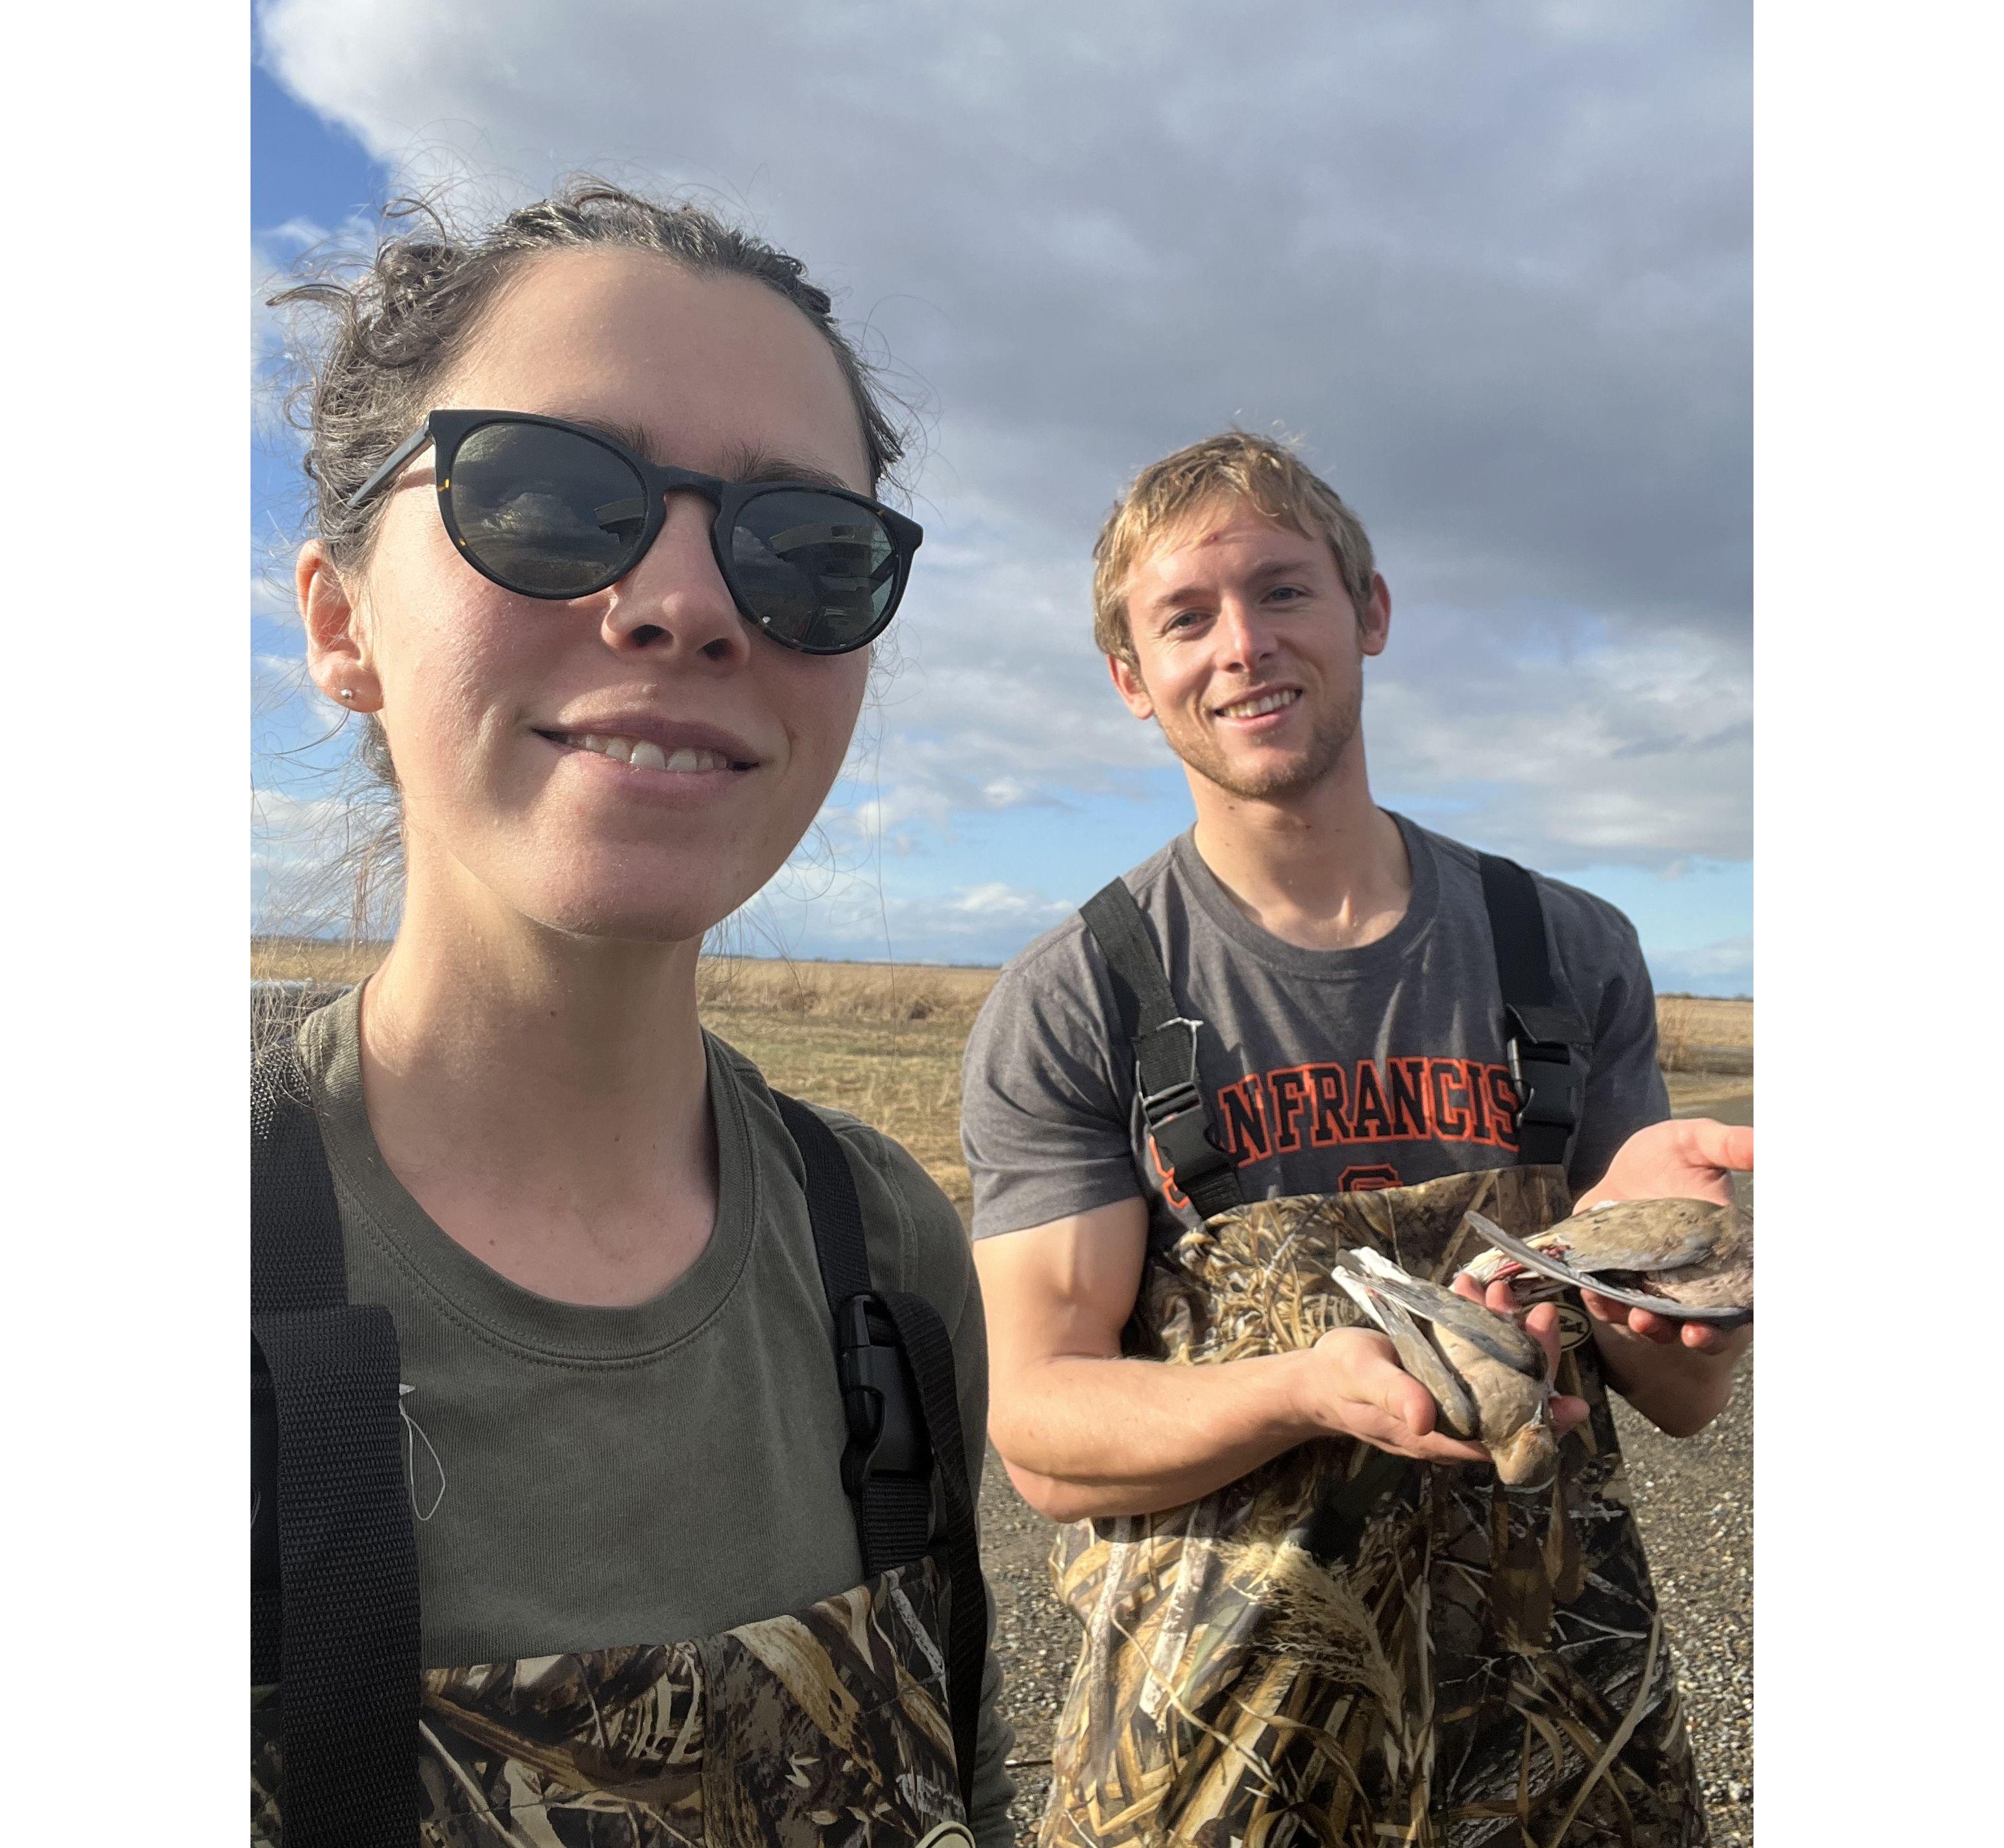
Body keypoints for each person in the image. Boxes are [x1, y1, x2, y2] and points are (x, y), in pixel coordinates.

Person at [252, 182, 1011, 1847]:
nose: (687, 602)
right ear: (339, 619)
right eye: (541, 495)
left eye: (804, 546)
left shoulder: (880, 1257)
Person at [961, 431, 1751, 1846]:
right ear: (1131, 681)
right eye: (1183, 618)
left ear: (1368, 614)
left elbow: (1676, 1400)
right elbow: (1039, 1432)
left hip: (1559, 1742)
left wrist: (1682, 1274)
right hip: (1216, 1750)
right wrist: (1306, 1388)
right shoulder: (1080, 996)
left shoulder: (1564, 951)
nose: (1241, 645)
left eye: (1282, 592)